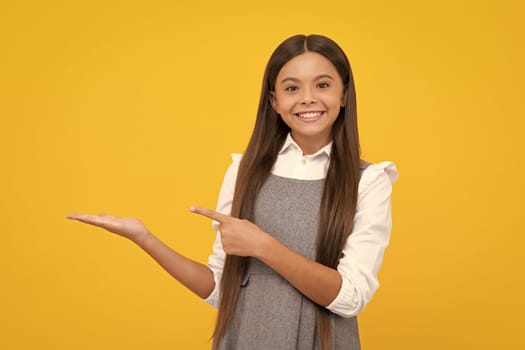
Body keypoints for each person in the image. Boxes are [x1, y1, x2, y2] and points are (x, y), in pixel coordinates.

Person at [67, 34, 399, 350]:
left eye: (323, 85)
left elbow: (351, 297)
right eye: (291, 88)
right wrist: (144, 238)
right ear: (274, 101)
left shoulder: (369, 181)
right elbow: (219, 291)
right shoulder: (243, 172)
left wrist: (264, 246)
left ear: (343, 94)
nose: (307, 98)